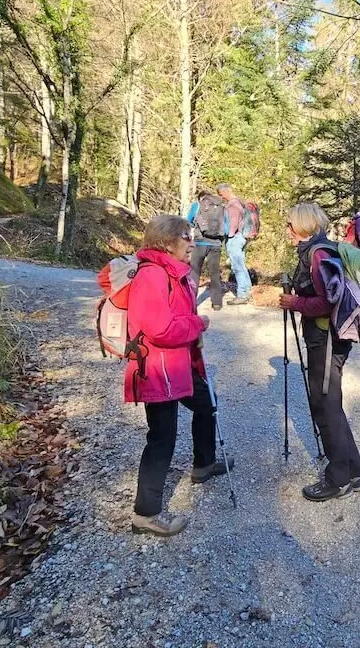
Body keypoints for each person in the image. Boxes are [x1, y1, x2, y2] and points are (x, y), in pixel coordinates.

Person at [125, 215, 234, 536]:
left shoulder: (171, 271)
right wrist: (197, 324)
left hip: (178, 364)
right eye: (186, 237)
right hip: (158, 369)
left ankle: (203, 464)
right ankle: (145, 514)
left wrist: (191, 327)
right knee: (162, 438)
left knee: (206, 404)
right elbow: (159, 329)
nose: (192, 242)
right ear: (166, 242)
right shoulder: (152, 275)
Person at [278, 203, 360, 501]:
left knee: (325, 405)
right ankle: (354, 471)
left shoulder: (318, 254)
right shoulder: (319, 250)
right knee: (330, 404)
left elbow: (328, 302)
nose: (288, 229)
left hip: (327, 338)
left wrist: (295, 303)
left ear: (303, 225)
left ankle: (338, 479)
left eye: (290, 224)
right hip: (326, 337)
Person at [185, 188, 224, 310]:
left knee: (195, 272)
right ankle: (217, 303)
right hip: (216, 244)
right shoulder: (220, 206)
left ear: (200, 198)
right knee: (215, 273)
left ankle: (191, 302)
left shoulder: (197, 206)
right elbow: (225, 226)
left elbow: (188, 221)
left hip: (200, 243)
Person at [219, 183, 252, 305]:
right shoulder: (239, 202)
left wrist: (230, 235)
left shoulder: (232, 205)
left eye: (221, 194)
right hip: (241, 237)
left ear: (226, 192)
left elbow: (233, 222)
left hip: (235, 238)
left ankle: (242, 295)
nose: (221, 197)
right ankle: (246, 291)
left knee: (237, 267)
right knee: (241, 266)